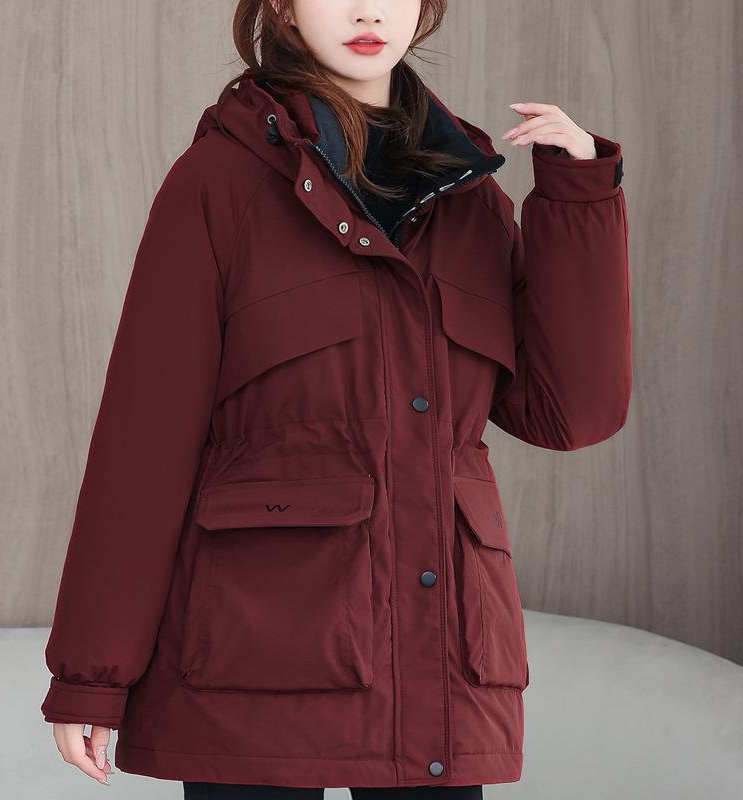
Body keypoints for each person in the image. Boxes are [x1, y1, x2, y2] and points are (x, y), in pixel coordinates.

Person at [40, 0, 632, 797]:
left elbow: (571, 413)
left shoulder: (470, 200)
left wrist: (579, 196)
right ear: (283, 8)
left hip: (440, 668)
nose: (365, 10)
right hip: (253, 668)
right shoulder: (219, 183)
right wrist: (92, 674)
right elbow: (144, 443)